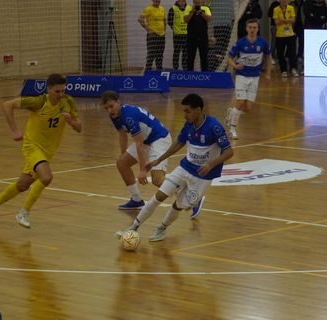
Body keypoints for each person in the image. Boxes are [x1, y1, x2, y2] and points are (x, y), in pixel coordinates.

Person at [115, 93, 234, 242]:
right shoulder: (189, 125)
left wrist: (211, 164)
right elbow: (178, 143)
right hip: (184, 168)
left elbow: (230, 151)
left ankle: (162, 227)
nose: (184, 115)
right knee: (158, 196)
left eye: (187, 111)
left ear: (198, 110)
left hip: (202, 176)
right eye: (183, 111)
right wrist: (158, 160)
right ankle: (133, 227)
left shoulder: (214, 127)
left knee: (178, 205)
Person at [0, 73, 82, 228]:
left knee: (22, 185)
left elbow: (79, 128)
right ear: (49, 89)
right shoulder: (38, 102)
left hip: (47, 152)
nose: (61, 94)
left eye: (63, 91)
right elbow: (7, 105)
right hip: (32, 146)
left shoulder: (68, 102)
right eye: (57, 91)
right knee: (47, 177)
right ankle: (24, 212)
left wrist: (71, 122)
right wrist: (14, 130)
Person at [100, 90, 172, 210]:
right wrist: (123, 155)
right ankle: (136, 200)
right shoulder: (114, 115)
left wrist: (143, 170)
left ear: (118, 102)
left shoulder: (128, 116)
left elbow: (139, 144)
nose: (109, 110)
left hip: (159, 139)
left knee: (157, 180)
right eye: (106, 108)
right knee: (121, 163)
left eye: (111, 106)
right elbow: (122, 134)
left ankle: (192, 196)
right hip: (146, 140)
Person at [224, 19, 271, 140]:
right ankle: (232, 129)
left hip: (255, 77)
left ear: (258, 29)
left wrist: (268, 73)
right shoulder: (240, 43)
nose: (252, 30)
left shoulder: (262, 42)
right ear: (246, 29)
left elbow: (268, 56)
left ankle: (232, 112)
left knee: (248, 108)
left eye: (254, 27)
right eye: (250, 27)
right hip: (241, 76)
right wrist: (235, 66)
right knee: (240, 102)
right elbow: (228, 57)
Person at [273, 0, 299, 78]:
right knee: (280, 54)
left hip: (290, 34)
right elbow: (276, 22)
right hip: (280, 35)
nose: (284, 1)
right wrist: (287, 20)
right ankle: (283, 70)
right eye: (282, 0)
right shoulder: (276, 9)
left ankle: (293, 69)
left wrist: (282, 20)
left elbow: (293, 20)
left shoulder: (291, 8)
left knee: (292, 53)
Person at [185, 0, 213, 71]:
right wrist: (193, 11)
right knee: (190, 57)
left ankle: (205, 74)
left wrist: (201, 12)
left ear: (201, 2)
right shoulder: (188, 8)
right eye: (196, 2)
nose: (197, 4)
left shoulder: (205, 8)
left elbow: (209, 19)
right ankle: (190, 73)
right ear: (193, 2)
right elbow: (186, 20)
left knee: (204, 57)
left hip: (203, 37)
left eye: (199, 2)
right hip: (191, 38)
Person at [139, 0, 166, 71]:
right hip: (153, 36)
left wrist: (164, 31)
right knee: (151, 55)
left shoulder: (162, 9)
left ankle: (159, 71)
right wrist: (148, 30)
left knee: (160, 55)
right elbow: (140, 19)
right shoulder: (148, 9)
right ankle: (148, 72)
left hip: (161, 36)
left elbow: (164, 20)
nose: (157, 1)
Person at [168, 0, 191, 70]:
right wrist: (175, 29)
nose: (182, 2)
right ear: (177, 1)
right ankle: (175, 68)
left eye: (183, 1)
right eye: (180, 1)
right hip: (177, 35)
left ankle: (185, 68)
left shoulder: (190, 8)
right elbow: (169, 21)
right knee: (176, 52)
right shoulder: (173, 8)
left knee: (185, 52)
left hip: (187, 35)